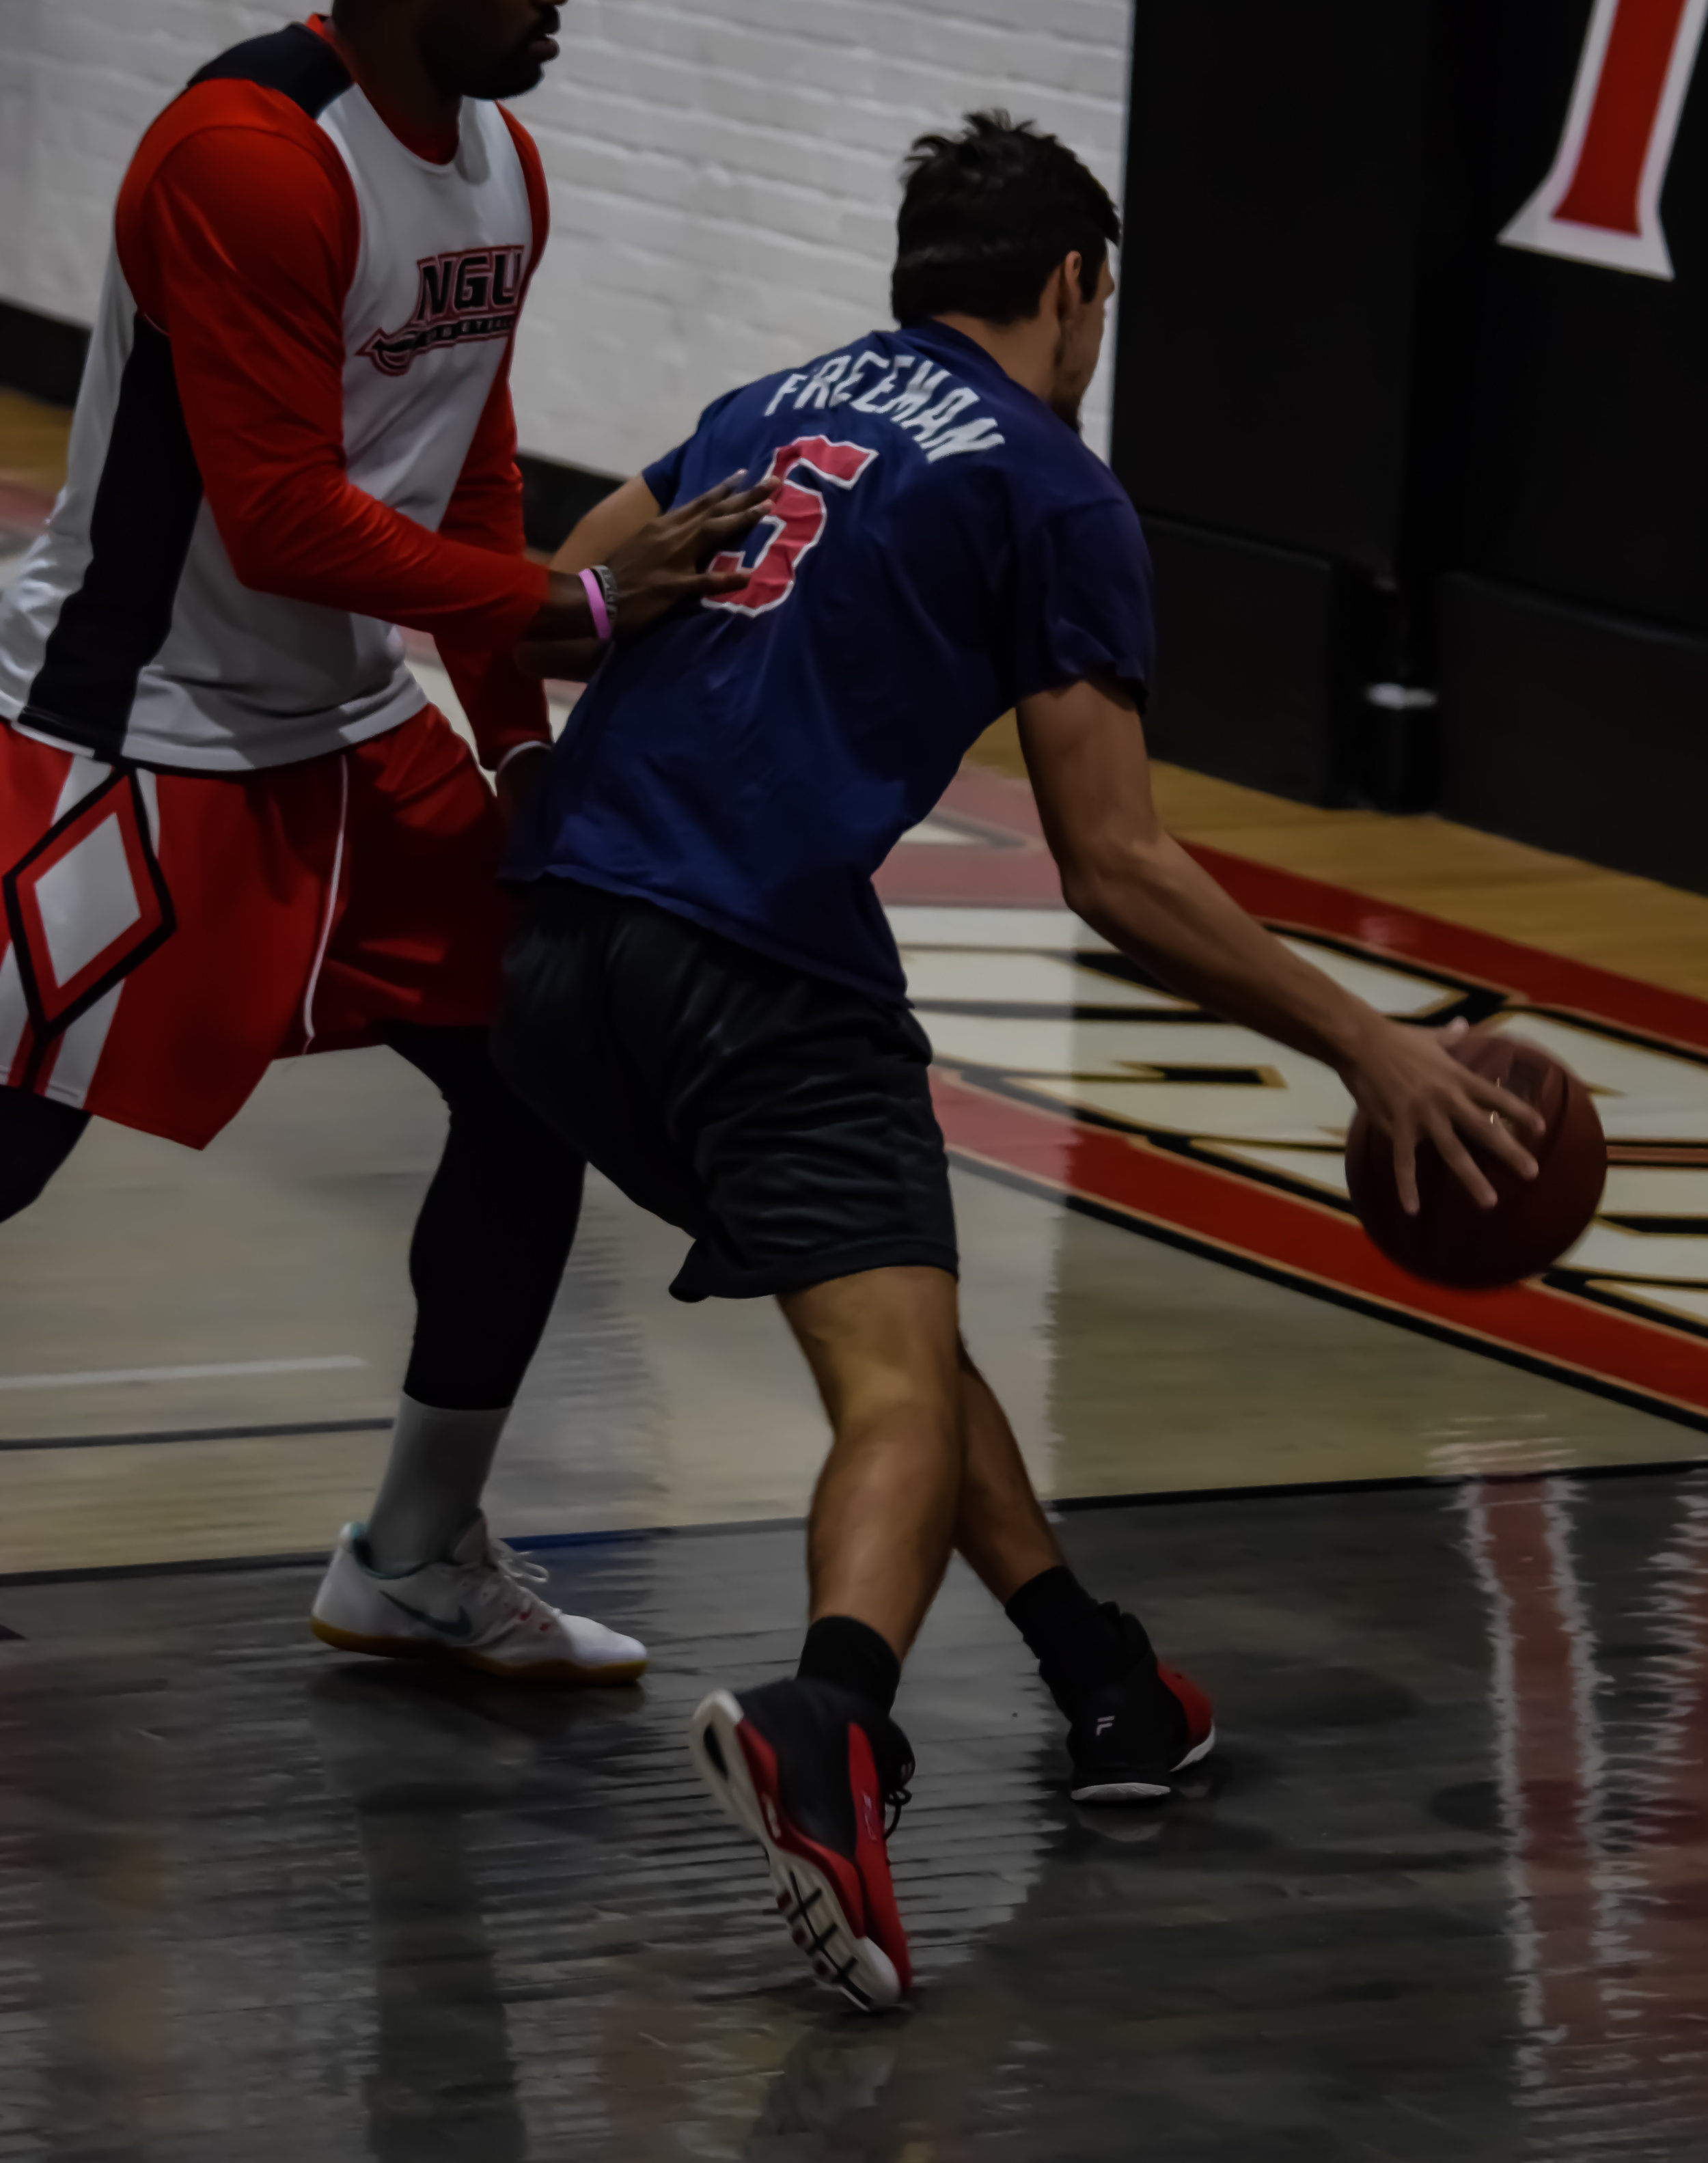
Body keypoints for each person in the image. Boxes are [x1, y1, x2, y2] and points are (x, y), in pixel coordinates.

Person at [491, 111, 1544, 2003]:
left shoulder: (762, 401)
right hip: (754, 966)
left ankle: (1101, 1684)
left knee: (891, 1315)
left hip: (557, 953)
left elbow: (554, 590)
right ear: (1072, 289)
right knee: (888, 1390)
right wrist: (1362, 1046)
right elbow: (1117, 867)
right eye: (1102, 306)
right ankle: (833, 1728)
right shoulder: (1052, 486)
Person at [0, 0, 766, 1683]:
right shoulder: (243, 159)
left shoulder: (502, 170)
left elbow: (468, 468)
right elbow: (275, 515)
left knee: (533, 1088)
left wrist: (511, 740)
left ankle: (411, 1558)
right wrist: (574, 615)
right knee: (8, 1148)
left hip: (347, 731)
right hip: (137, 735)